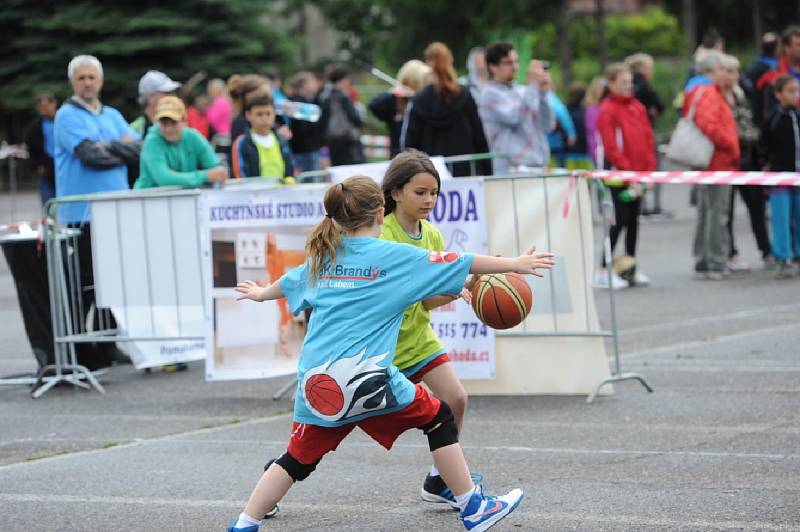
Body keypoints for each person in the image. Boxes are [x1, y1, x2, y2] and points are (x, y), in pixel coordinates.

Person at [229, 175, 555, 532]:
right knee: (439, 417)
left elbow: (289, 281)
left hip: (316, 383)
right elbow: (460, 259)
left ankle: (245, 523)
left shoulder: (324, 257)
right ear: (381, 211)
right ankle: (473, 506)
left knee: (295, 459)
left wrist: (261, 294)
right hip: (365, 378)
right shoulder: (395, 257)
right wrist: (515, 263)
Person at [379, 149, 482, 506]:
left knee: (456, 399)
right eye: (419, 192)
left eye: (433, 192)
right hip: (381, 347)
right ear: (395, 192)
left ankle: (439, 481)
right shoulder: (381, 234)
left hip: (418, 339)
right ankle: (280, 472)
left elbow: (426, 301)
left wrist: (462, 286)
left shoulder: (433, 236)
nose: (429, 200)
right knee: (332, 428)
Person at [54, 54, 140, 368]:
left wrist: (109, 147)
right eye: (82, 78)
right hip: (82, 214)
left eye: (92, 77)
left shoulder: (113, 115)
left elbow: (138, 151)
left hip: (116, 212)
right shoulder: (67, 116)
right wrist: (117, 146)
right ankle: (83, 347)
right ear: (73, 82)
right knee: (85, 284)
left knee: (114, 282)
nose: (88, 83)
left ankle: (108, 342)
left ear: (100, 81)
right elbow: (90, 156)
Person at [595, 63, 656, 289]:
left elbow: (648, 140)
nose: (628, 86)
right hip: (617, 176)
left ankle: (630, 267)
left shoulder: (638, 107)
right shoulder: (607, 110)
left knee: (633, 221)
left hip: (638, 175)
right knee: (618, 220)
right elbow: (612, 149)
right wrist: (630, 177)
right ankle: (602, 269)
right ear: (611, 84)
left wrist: (647, 173)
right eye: (623, 82)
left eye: (630, 82)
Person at [685, 51, 741, 280]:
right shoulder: (709, 93)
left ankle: (705, 259)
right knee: (716, 213)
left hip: (716, 162)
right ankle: (715, 261)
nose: (724, 74)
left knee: (709, 211)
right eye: (720, 69)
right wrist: (730, 145)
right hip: (717, 162)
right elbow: (709, 124)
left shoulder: (712, 93)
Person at [404, 42, 490, 177]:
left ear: (428, 63)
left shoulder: (419, 100)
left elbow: (409, 143)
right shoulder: (465, 95)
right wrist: (488, 173)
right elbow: (480, 138)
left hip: (429, 177)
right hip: (465, 176)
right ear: (450, 60)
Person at [720, 54, 771, 271]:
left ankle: (766, 250)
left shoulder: (741, 94)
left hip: (747, 157)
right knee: (727, 211)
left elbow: (750, 121)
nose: (735, 76)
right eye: (731, 72)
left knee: (757, 205)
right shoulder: (716, 97)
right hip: (727, 160)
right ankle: (731, 253)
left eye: (737, 72)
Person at [479, 41, 552, 174]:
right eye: (508, 63)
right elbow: (515, 117)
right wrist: (532, 86)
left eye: (516, 61)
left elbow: (547, 125)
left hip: (536, 167)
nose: (515, 67)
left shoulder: (523, 91)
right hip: (510, 172)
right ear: (492, 67)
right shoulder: (489, 94)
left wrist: (543, 94)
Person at [134, 96, 228, 189]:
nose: (169, 129)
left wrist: (216, 173)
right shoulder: (151, 141)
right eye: (164, 123)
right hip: (148, 201)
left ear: (184, 121)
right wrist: (205, 176)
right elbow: (163, 178)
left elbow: (216, 169)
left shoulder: (193, 136)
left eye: (173, 122)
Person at [761, 75, 800, 279]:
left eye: (797, 90)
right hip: (780, 178)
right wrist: (766, 165)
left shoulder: (798, 116)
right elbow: (763, 145)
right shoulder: (774, 118)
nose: (795, 95)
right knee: (781, 218)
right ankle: (782, 257)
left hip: (798, 176)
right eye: (790, 91)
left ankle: (797, 254)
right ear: (778, 94)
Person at [626, 53, 667, 217]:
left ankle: (641, 205)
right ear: (642, 68)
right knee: (653, 167)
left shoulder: (630, 83)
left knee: (638, 168)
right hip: (647, 131)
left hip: (633, 133)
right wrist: (653, 111)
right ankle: (654, 206)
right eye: (650, 67)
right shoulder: (643, 84)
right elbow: (660, 105)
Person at [368, 60, 431, 157]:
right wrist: (394, 92)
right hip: (400, 157)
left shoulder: (426, 101)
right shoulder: (395, 101)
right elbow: (374, 105)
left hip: (424, 155)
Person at [230, 92, 295, 182]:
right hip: (254, 194)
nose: (264, 118)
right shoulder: (242, 142)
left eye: (268, 113)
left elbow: (290, 170)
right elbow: (240, 175)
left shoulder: (281, 139)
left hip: (281, 193)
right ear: (248, 115)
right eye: (259, 114)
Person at [319, 66, 365, 166]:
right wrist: (361, 123)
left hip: (332, 139)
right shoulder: (343, 96)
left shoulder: (324, 96)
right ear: (341, 80)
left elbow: (323, 120)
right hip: (347, 138)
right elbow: (353, 117)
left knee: (337, 167)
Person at [287, 71, 324, 175]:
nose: (315, 85)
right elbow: (302, 128)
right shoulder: (297, 103)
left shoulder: (309, 101)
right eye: (312, 82)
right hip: (303, 150)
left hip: (310, 148)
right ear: (304, 85)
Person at [24, 92, 58, 206]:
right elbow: (30, 148)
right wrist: (36, 165)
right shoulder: (35, 125)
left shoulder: (63, 121)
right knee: (48, 204)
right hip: (46, 167)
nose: (42, 109)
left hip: (62, 165)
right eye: (40, 107)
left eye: (45, 106)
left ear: (54, 104)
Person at [130, 70, 181, 138]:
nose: (174, 96)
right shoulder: (135, 130)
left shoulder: (180, 123)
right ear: (151, 97)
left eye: (173, 92)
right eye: (167, 93)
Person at [746, 32, 779, 130]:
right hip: (771, 115)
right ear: (776, 48)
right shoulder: (776, 68)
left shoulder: (754, 66)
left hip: (757, 112)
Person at [546, 81, 577, 168]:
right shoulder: (555, 100)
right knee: (560, 162)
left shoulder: (537, 99)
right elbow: (564, 117)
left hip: (543, 139)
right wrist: (571, 133)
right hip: (555, 138)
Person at [206, 78, 233, 155]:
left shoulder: (219, 102)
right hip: (228, 134)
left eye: (210, 89)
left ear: (216, 90)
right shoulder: (228, 100)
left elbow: (211, 119)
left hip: (221, 136)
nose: (209, 92)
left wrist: (208, 110)